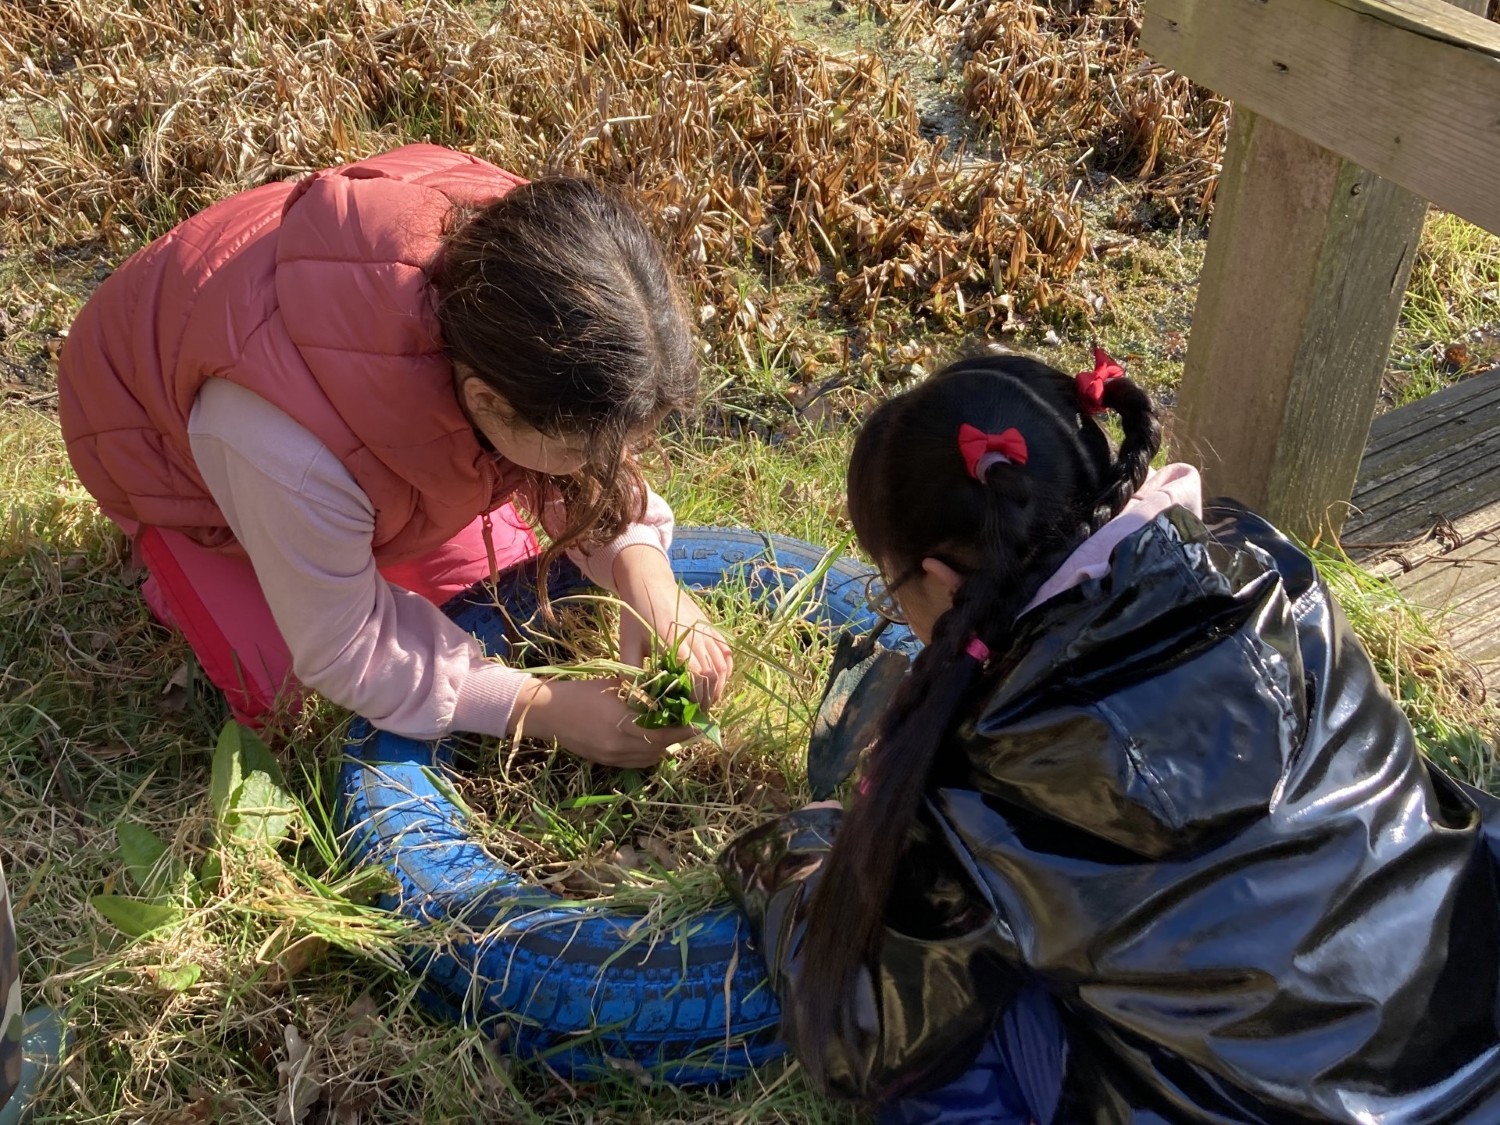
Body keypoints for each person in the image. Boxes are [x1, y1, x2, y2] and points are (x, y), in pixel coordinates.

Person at [720, 346, 1500, 1123]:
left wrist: (793, 867)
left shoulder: (992, 772)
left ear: (945, 581)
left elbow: (859, 1032)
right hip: (1470, 1056)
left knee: (948, 1068)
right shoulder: (1271, 570)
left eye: (897, 593)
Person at [59, 144, 731, 767]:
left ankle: (375, 525)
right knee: (298, 700)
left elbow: (582, 430)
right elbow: (345, 647)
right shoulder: (286, 441)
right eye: (582, 449)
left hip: (336, 401)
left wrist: (646, 576)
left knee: (491, 605)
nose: (605, 462)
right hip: (168, 450)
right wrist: (545, 712)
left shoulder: (545, 274)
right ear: (485, 401)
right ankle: (175, 564)